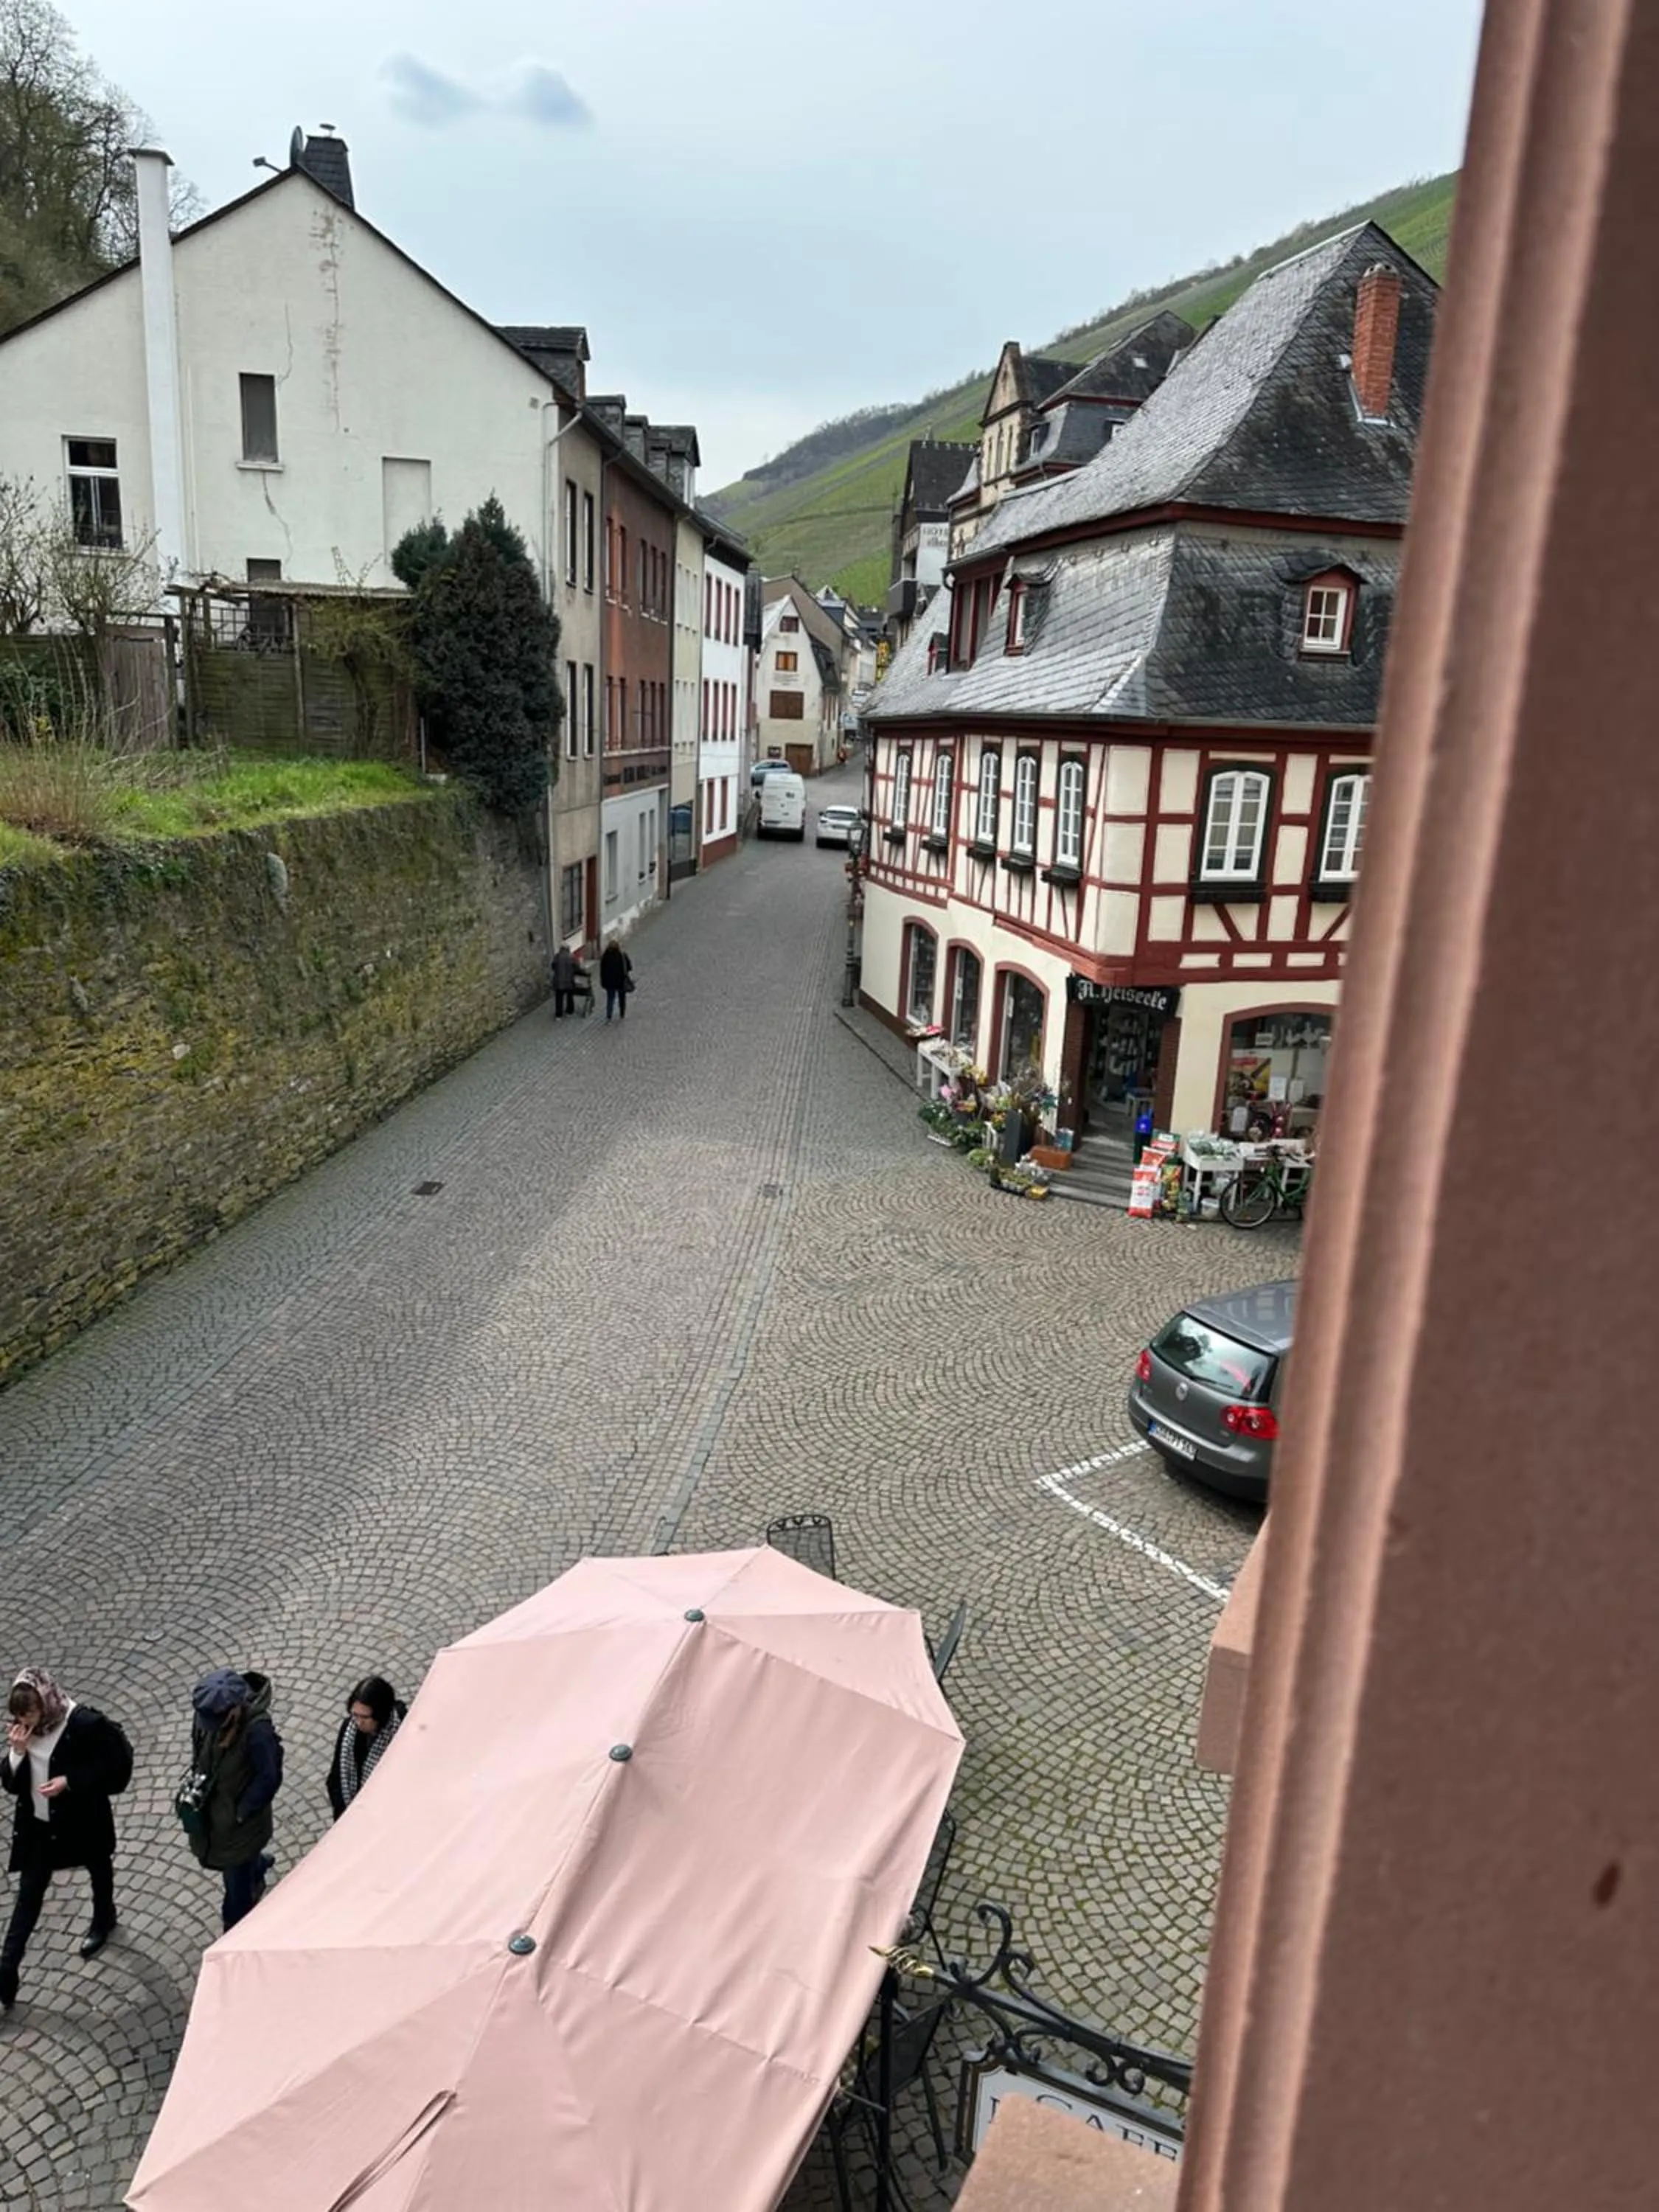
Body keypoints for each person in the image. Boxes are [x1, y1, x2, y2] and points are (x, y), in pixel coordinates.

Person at [1, 1667, 132, 2012]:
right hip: (40, 1827)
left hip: (82, 1823)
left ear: (45, 1703)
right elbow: (12, 1784)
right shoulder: (25, 1731)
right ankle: (6, 1972)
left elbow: (116, 1767)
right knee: (28, 1896)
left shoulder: (84, 1724)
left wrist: (69, 1782)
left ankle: (104, 1917)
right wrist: (17, 1753)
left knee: (98, 1866)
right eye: (20, 1718)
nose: (25, 1724)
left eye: (30, 1715)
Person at [184, 1670, 283, 1932]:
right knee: (238, 1865)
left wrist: (242, 1812)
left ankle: (235, 1928)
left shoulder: (257, 1731)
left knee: (236, 1890)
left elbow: (269, 1776)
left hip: (240, 1825)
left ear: (234, 1710)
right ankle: (257, 1866)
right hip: (215, 1816)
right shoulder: (206, 1717)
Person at [325, 1675, 406, 1821]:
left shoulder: (401, 1734)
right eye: (355, 1715)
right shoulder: (350, 1728)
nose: (359, 1722)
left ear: (380, 1714)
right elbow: (336, 1775)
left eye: (365, 1717)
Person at [599, 937, 633, 1022]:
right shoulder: (622, 955)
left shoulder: (605, 957)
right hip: (620, 981)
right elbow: (629, 967)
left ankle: (609, 1016)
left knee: (610, 999)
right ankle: (622, 1013)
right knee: (622, 998)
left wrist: (603, 981)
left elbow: (602, 970)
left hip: (609, 983)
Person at [550, 942, 587, 1019]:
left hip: (559, 981)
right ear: (567, 949)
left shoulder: (557, 957)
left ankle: (559, 1015)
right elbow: (577, 968)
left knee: (559, 998)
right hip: (568, 981)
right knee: (570, 997)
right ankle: (569, 1011)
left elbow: (553, 967)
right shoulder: (571, 957)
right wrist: (584, 972)